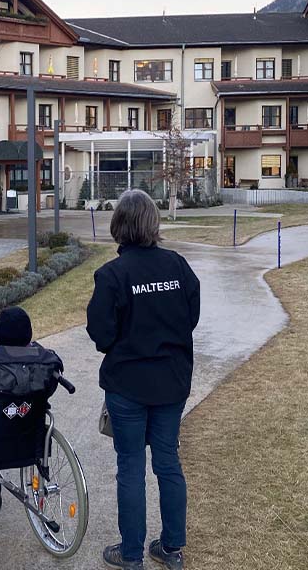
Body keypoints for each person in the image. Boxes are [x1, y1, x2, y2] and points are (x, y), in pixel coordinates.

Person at [86, 189, 200, 570]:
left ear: (119, 225)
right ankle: (171, 548)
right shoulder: (178, 267)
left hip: (128, 386)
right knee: (167, 460)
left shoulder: (112, 275)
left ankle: (132, 554)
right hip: (171, 381)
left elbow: (101, 335)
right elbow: (191, 317)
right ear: (153, 224)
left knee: (131, 465)